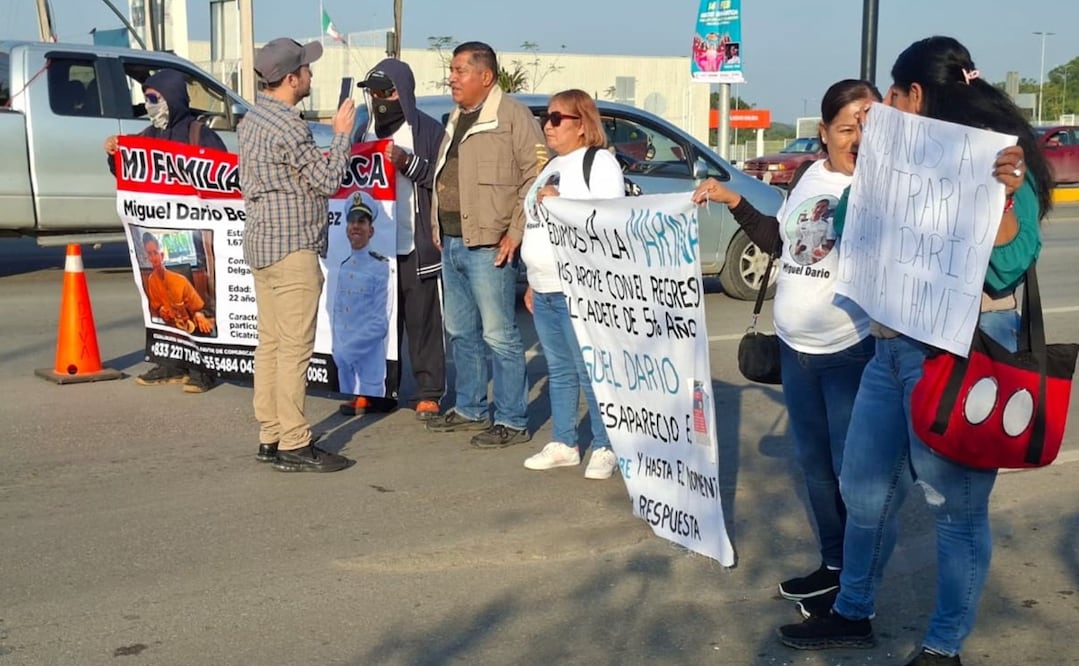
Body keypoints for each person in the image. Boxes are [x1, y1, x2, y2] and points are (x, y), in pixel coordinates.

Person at [775, 36, 1050, 666]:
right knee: (864, 489)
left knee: (955, 510)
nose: (883, 110)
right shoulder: (891, 162)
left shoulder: (998, 163)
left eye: (891, 97)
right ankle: (852, 611)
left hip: (961, 359)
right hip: (890, 351)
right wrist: (869, 185)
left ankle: (943, 643)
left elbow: (1007, 267)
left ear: (915, 96)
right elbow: (846, 230)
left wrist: (1004, 197)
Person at [693, 79, 881, 605]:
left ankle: (857, 586)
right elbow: (782, 242)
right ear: (824, 132)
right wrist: (732, 200)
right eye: (848, 127)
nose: (859, 137)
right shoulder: (808, 174)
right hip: (796, 352)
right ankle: (834, 564)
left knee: (854, 475)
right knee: (816, 470)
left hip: (851, 353)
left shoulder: (884, 187)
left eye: (870, 126)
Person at [238, 37, 356, 473]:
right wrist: (342, 136)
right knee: (292, 349)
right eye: (305, 69)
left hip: (264, 244)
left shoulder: (252, 118)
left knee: (269, 344)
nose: (310, 74)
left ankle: (271, 433)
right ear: (290, 79)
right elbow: (328, 180)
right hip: (291, 249)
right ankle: (293, 441)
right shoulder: (289, 125)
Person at [426, 41, 547, 449]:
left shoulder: (512, 116)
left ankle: (512, 420)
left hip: (490, 244)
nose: (452, 78)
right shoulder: (457, 116)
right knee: (461, 331)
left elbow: (535, 176)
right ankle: (470, 407)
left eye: (460, 70)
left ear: (486, 76)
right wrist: (435, 222)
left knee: (500, 335)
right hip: (453, 241)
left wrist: (516, 230)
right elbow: (447, 174)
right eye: (453, 70)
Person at [519, 89, 622, 480]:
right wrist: (533, 279)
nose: (548, 124)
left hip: (580, 286)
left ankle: (605, 444)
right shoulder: (553, 165)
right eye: (547, 117)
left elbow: (609, 220)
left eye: (558, 118)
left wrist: (562, 200)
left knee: (589, 369)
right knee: (559, 368)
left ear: (582, 125)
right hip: (545, 286)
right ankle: (565, 441)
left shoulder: (599, 163)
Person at [105, 68, 227, 394]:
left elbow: (223, 178)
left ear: (171, 98)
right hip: (158, 234)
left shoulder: (200, 135)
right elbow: (128, 176)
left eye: (154, 98)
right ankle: (173, 361)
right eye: (146, 98)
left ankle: (205, 367)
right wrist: (115, 155)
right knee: (162, 303)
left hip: (196, 236)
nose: (148, 104)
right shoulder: (146, 137)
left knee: (200, 301)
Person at [345, 59, 446, 421]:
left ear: (402, 92)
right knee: (376, 321)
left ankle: (429, 390)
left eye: (385, 91)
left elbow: (441, 179)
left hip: (414, 243)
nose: (378, 99)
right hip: (376, 248)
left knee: (422, 322)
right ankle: (377, 390)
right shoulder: (364, 130)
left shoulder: (427, 131)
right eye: (372, 92)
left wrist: (406, 162)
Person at [332, 196, 393, 400]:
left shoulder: (381, 267)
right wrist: (338, 349)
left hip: (367, 361)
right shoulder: (344, 266)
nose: (355, 226)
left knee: (369, 421)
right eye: (352, 221)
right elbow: (338, 313)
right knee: (344, 412)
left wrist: (348, 350)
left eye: (361, 221)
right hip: (344, 364)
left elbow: (380, 322)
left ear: (371, 230)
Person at [141, 231, 215, 335]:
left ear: (161, 255)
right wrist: (162, 311)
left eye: (155, 253)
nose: (153, 258)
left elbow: (199, 308)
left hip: (189, 327)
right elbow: (156, 307)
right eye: (149, 254)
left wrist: (199, 315)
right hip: (170, 329)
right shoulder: (151, 280)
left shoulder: (180, 280)